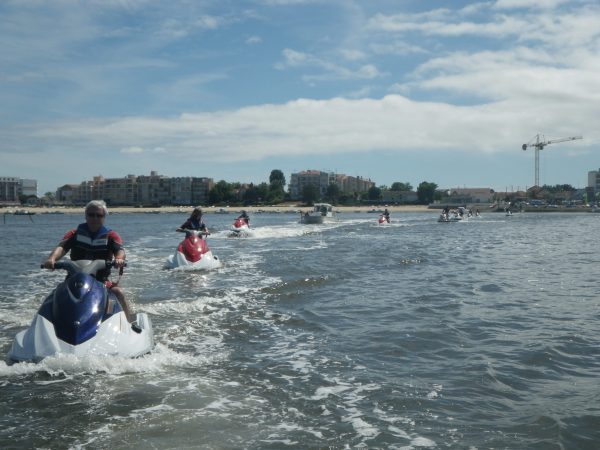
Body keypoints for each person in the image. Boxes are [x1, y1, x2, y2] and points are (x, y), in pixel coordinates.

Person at [43, 200, 136, 325]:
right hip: (74, 279)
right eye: (91, 215)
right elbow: (62, 247)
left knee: (119, 292)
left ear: (104, 217)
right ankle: (43, 325)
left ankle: (129, 324)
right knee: (55, 295)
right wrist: (52, 259)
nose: (95, 218)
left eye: (99, 215)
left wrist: (119, 259)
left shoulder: (111, 236)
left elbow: (120, 250)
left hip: (101, 281)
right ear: (85, 216)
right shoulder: (74, 234)